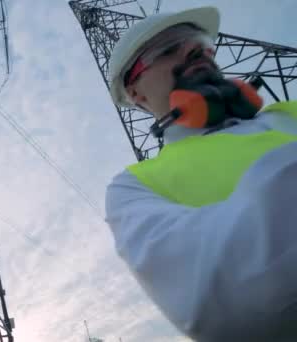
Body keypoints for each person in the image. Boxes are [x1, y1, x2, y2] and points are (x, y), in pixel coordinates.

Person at [104, 6, 297, 341]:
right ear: (135, 92)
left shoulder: (289, 114)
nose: (197, 52)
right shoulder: (135, 186)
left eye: (202, 44)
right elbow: (224, 305)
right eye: (167, 50)